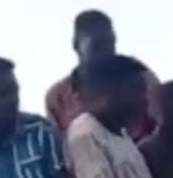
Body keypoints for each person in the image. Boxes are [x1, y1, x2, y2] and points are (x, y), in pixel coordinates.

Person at [46, 10, 162, 141]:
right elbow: (59, 146)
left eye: (110, 43)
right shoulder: (59, 97)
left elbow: (163, 127)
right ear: (76, 45)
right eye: (98, 45)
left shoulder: (141, 78)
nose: (107, 51)